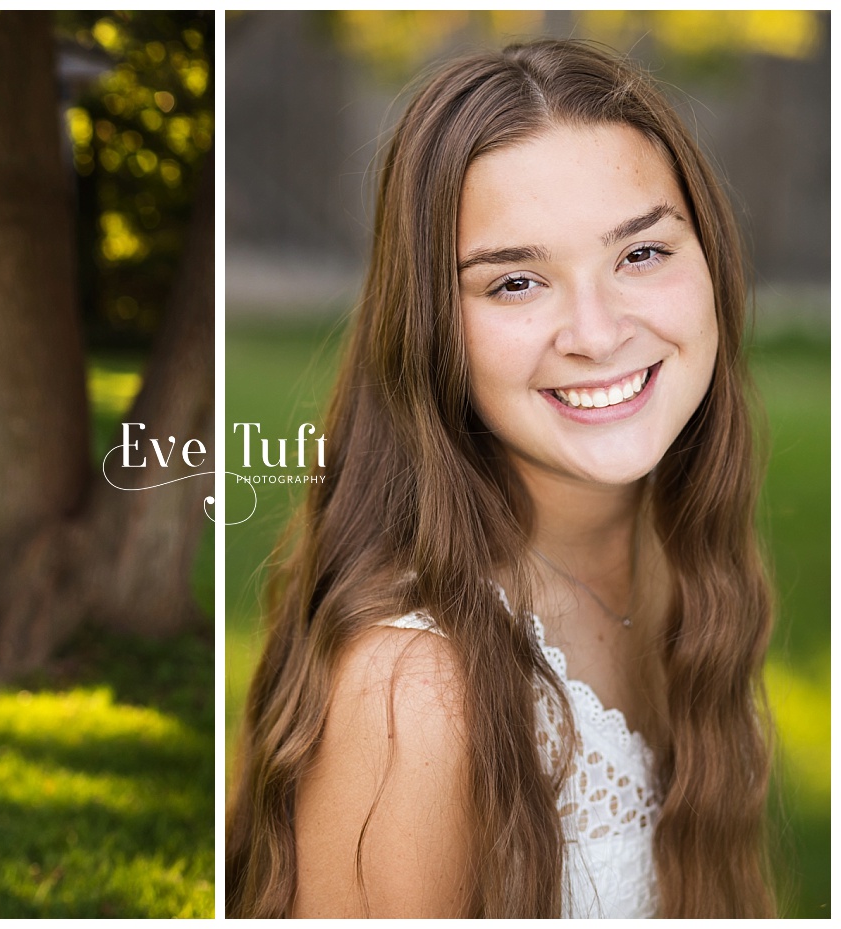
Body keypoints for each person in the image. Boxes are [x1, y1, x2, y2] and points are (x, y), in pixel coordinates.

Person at [226, 40, 772, 918]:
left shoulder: (681, 562)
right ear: (435, 329)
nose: (595, 333)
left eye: (640, 254)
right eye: (516, 281)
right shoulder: (416, 688)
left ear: (710, 261)